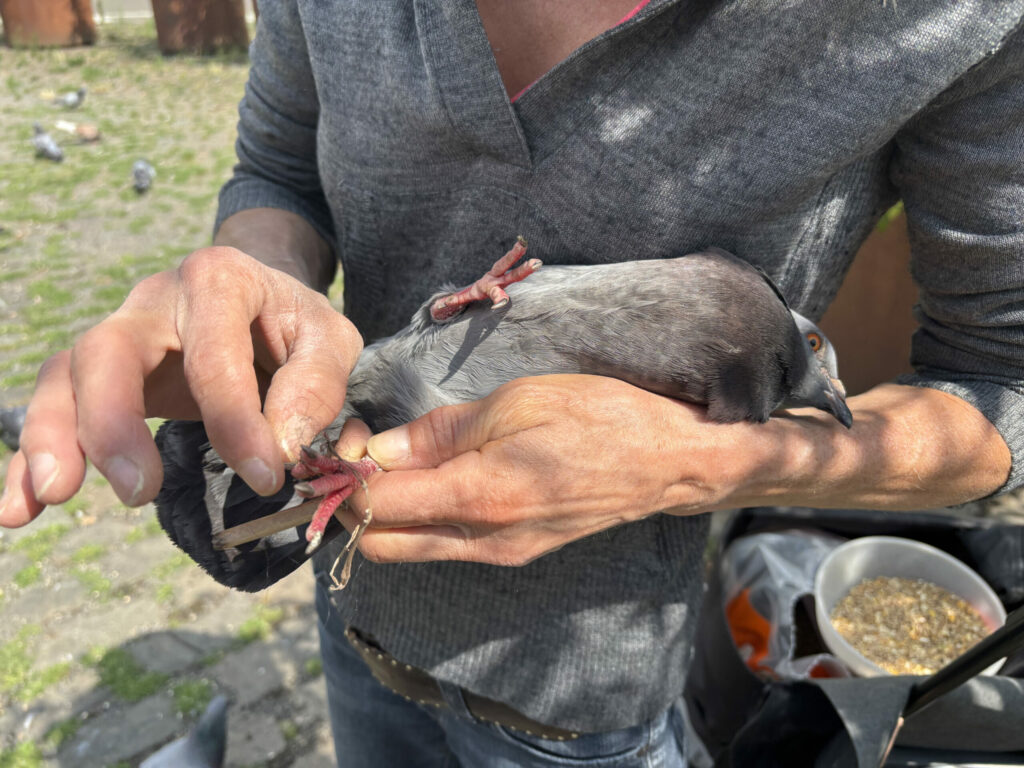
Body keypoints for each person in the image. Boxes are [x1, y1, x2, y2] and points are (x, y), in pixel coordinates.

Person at [3, 1, 1023, 765]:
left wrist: (697, 464)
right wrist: (257, 282)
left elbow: (1000, 382)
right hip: (357, 614)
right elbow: (276, 167)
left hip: (581, 707)